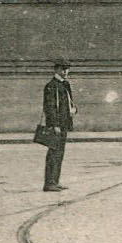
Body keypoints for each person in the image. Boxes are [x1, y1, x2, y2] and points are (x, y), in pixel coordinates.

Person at [41, 59, 77, 191]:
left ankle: (55, 181)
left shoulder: (65, 84)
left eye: (67, 69)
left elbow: (69, 102)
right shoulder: (51, 85)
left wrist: (73, 110)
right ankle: (49, 183)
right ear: (56, 70)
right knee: (54, 154)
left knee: (59, 154)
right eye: (63, 69)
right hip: (56, 126)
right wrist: (54, 125)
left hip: (64, 124)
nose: (65, 72)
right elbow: (49, 107)